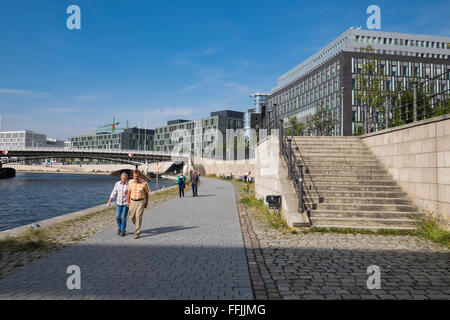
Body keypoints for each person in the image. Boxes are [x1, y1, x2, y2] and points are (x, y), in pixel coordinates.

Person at [127, 170, 150, 239]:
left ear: (139, 176)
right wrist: (128, 201)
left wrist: (146, 202)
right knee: (131, 216)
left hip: (141, 201)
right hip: (132, 201)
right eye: (134, 176)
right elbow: (129, 192)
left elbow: (147, 193)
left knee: (138, 216)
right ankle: (137, 224)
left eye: (137, 176)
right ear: (133, 176)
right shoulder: (130, 182)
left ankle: (137, 232)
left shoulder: (144, 183)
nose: (136, 177)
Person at [107, 172, 129, 237]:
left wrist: (129, 202)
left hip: (125, 203)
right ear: (121, 178)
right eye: (122, 178)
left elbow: (130, 194)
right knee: (117, 217)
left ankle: (123, 231)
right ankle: (120, 227)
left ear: (126, 179)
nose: (123, 180)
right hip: (118, 203)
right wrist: (109, 202)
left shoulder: (128, 185)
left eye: (125, 179)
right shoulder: (117, 184)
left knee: (123, 217)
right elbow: (113, 193)